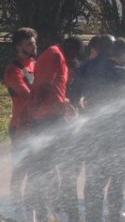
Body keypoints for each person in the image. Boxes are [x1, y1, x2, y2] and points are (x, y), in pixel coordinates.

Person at [82, 38, 125, 222]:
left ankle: (93, 218)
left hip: (95, 134)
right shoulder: (121, 71)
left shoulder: (91, 68)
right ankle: (114, 217)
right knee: (117, 184)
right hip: (118, 136)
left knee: (95, 183)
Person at [28, 35, 85, 222]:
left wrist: (64, 102)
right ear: (71, 49)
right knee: (50, 165)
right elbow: (44, 85)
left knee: (53, 165)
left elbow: (55, 86)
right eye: (74, 55)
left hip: (51, 116)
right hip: (47, 119)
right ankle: (45, 212)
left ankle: (52, 210)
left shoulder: (58, 55)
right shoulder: (55, 54)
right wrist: (48, 108)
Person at [5, 28, 38, 220]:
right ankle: (17, 209)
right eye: (29, 44)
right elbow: (27, 95)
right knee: (21, 169)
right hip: (20, 127)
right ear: (19, 47)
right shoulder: (13, 69)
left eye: (34, 42)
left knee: (36, 167)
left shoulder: (35, 63)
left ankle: (33, 206)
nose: (34, 46)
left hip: (37, 124)